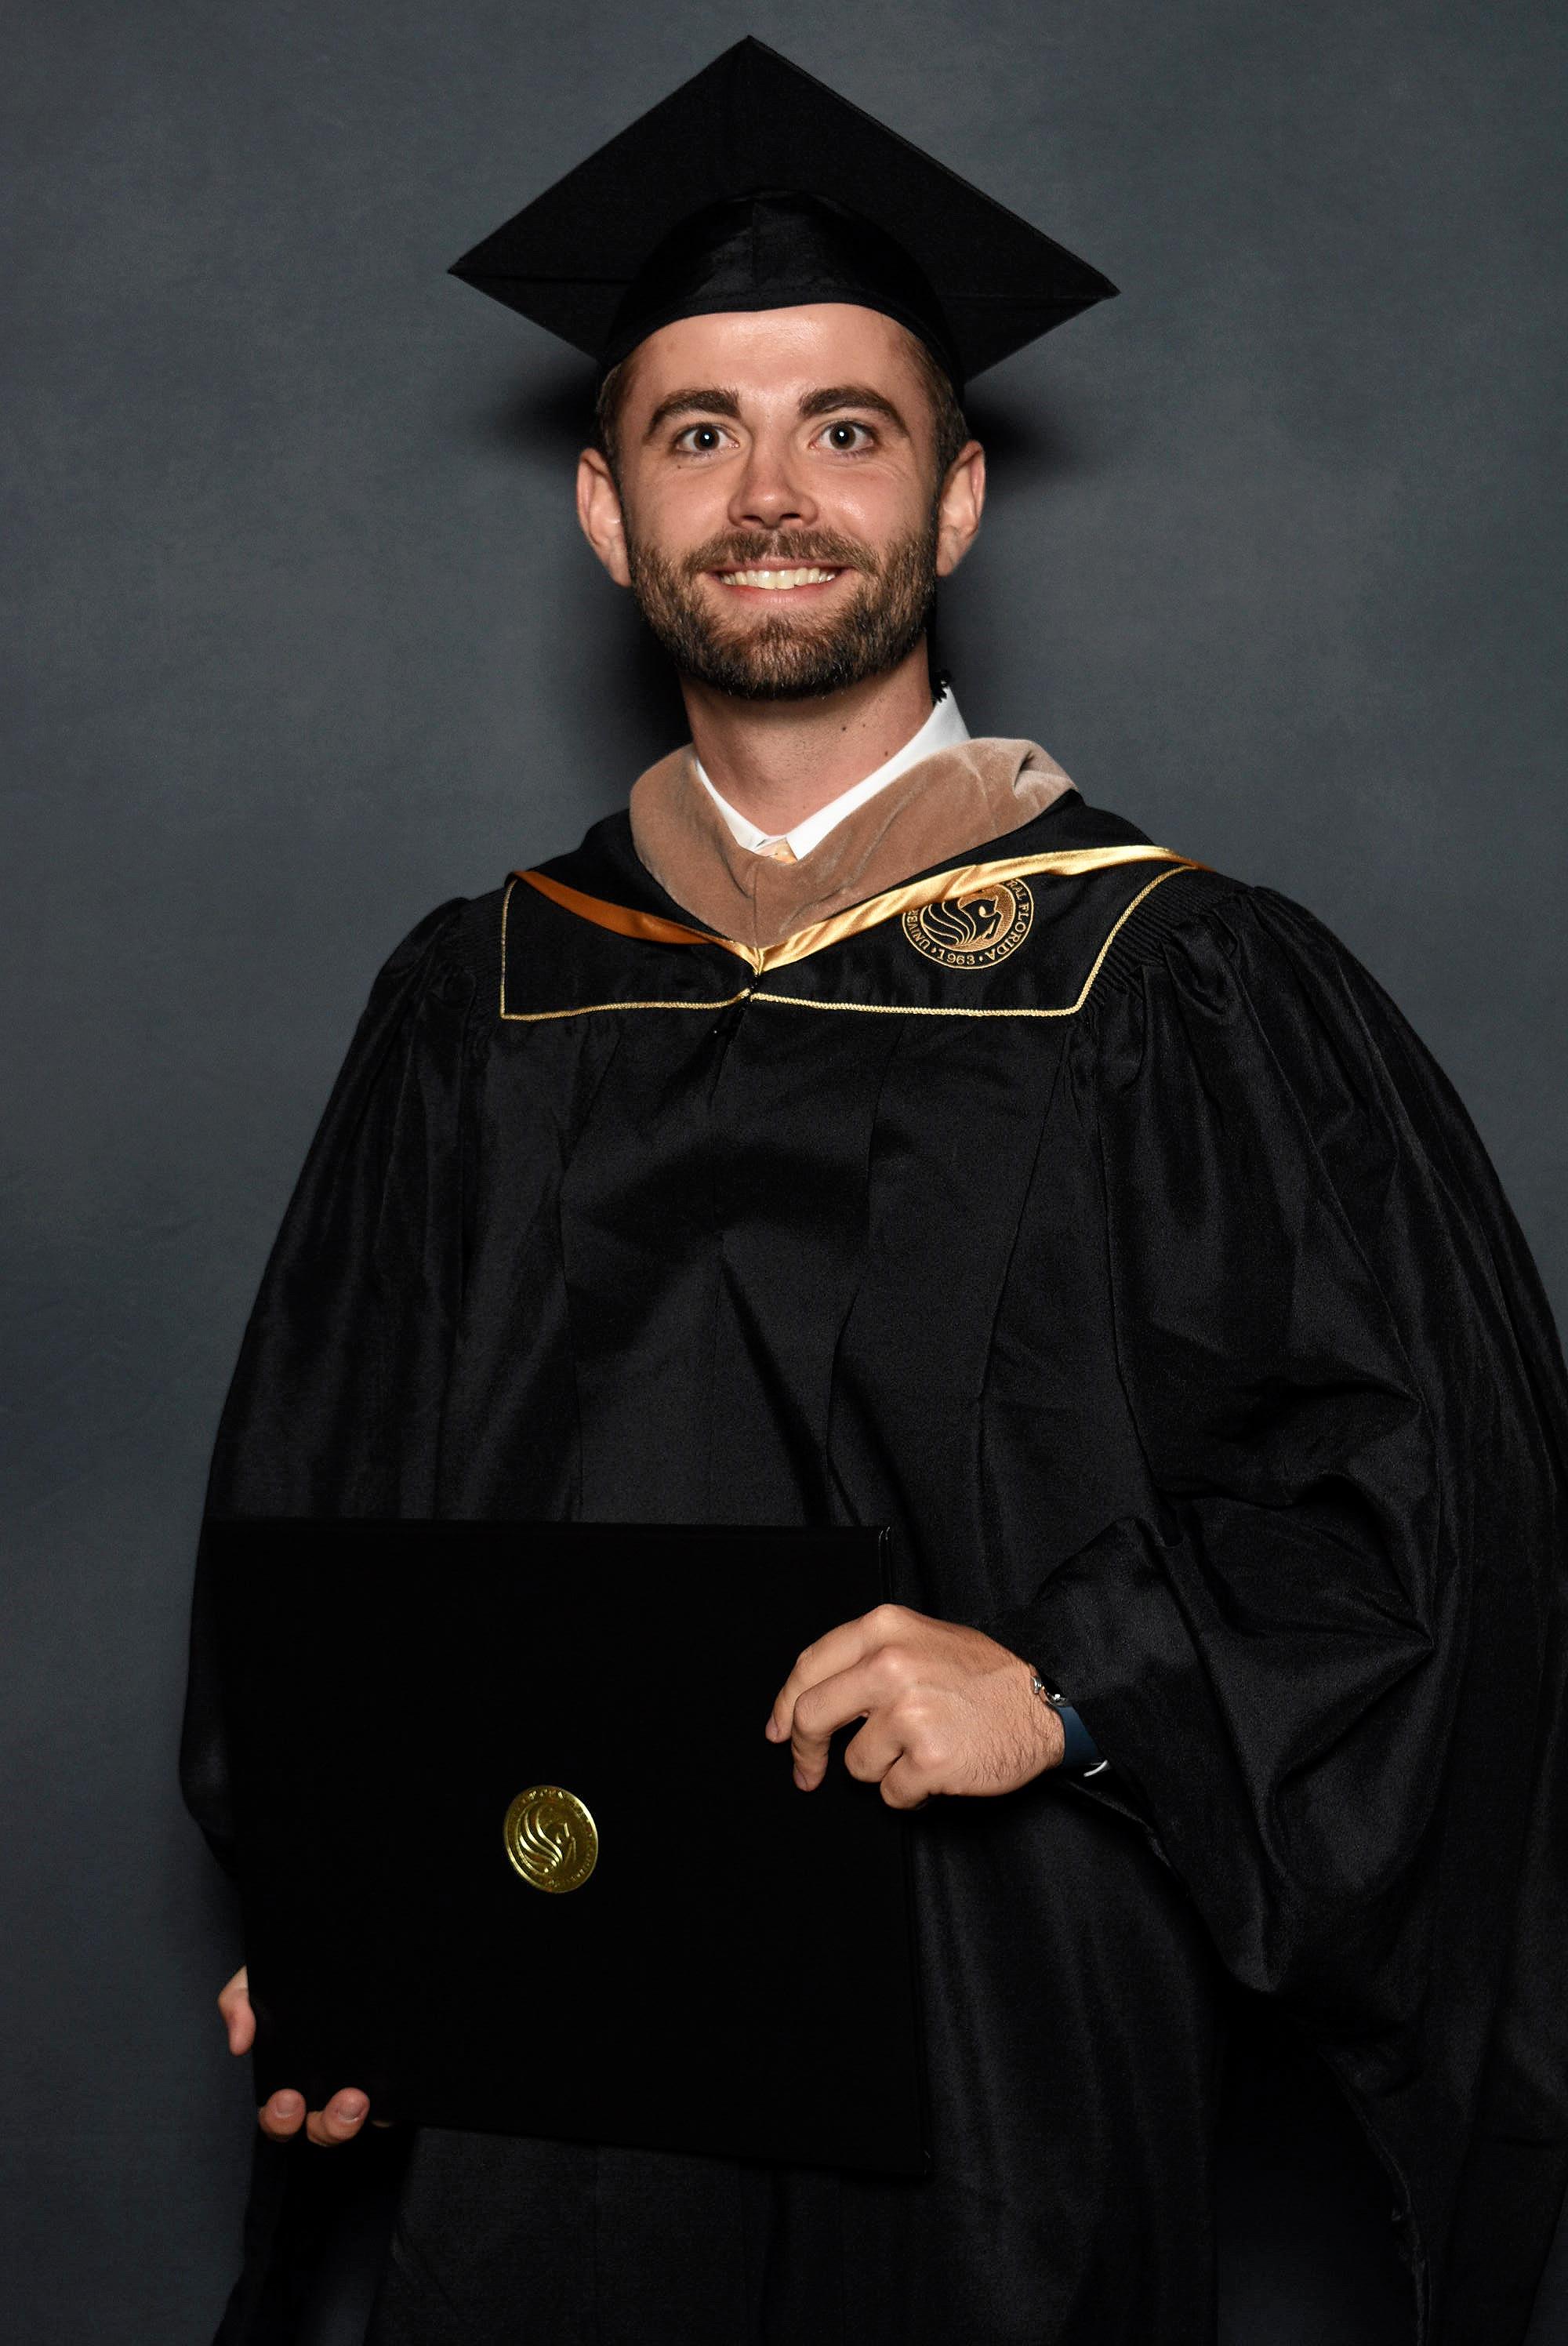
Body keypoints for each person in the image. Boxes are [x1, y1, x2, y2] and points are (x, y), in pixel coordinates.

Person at [181, 38, 1568, 2346]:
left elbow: (1454, 1534)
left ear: (956, 502)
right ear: (612, 512)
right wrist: (344, 1906)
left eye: (850, 424)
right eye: (697, 430)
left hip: (1005, 2056)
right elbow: (321, 1522)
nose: (772, 489)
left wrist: (1082, 1686)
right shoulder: (484, 1003)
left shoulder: (1176, 984)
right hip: (557, 2044)